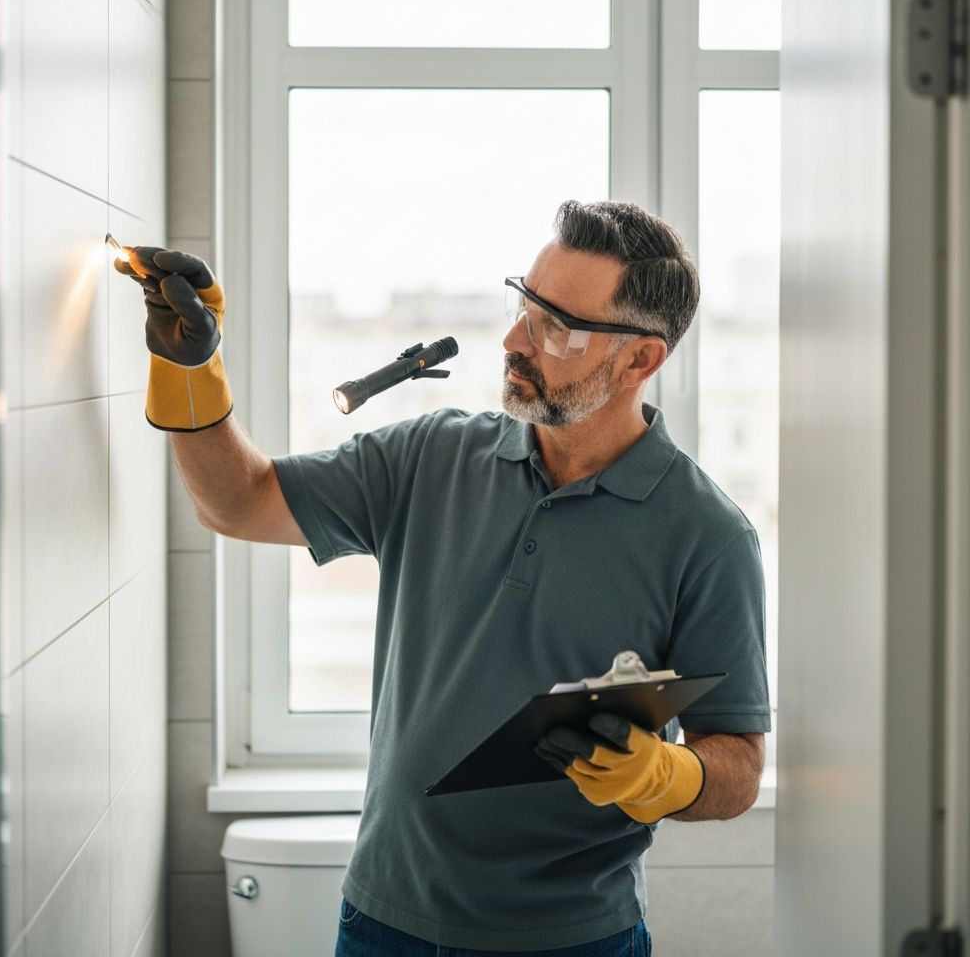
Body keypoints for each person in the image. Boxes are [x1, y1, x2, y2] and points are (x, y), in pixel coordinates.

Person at [117, 200, 770, 956]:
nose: (513, 340)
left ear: (640, 361)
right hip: (381, 924)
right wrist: (188, 369)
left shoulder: (710, 537)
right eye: (523, 304)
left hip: (574, 941)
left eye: (554, 327)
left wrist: (665, 776)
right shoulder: (433, 458)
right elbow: (237, 502)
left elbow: (740, 764)